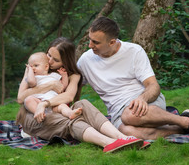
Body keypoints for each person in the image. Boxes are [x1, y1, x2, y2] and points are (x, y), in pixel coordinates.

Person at [77, 16, 189, 140]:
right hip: (117, 113)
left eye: (95, 42)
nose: (90, 45)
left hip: (146, 103)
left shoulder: (134, 51)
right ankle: (179, 128)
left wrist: (142, 99)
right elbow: (72, 85)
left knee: (129, 115)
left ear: (112, 42)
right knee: (128, 133)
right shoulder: (86, 60)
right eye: (90, 40)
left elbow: (153, 86)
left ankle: (188, 122)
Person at [16, 37, 150, 153]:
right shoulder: (34, 70)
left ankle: (123, 138)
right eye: (48, 55)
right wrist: (49, 86)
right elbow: (21, 98)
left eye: (55, 59)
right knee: (71, 120)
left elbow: (68, 97)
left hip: (59, 112)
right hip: (36, 117)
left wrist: (46, 103)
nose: (49, 61)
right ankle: (108, 143)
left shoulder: (73, 75)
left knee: (83, 104)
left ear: (65, 61)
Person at [22, 51, 82, 120]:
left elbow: (62, 87)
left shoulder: (54, 76)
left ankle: (70, 113)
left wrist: (64, 76)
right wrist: (29, 71)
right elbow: (31, 82)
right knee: (28, 100)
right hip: (39, 102)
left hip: (53, 103)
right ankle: (39, 114)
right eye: (31, 66)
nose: (33, 68)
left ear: (46, 66)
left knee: (62, 106)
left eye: (36, 65)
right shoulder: (35, 78)